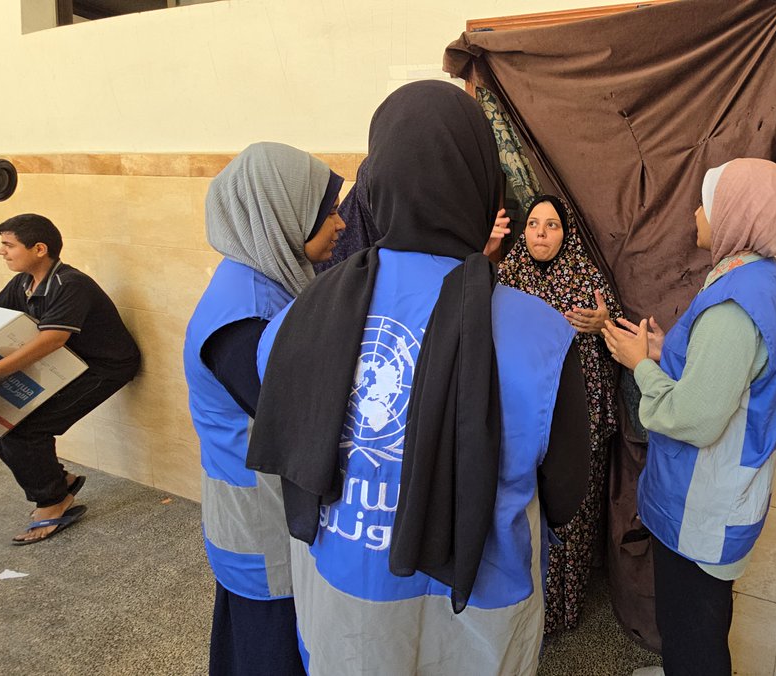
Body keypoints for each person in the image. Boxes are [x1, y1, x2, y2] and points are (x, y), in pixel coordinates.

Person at [246, 80, 590, 675]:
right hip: (478, 623)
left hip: (344, 616)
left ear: (376, 185)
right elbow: (566, 492)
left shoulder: (294, 321)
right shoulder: (543, 335)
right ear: (482, 185)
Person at [602, 158, 776, 675]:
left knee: (694, 633)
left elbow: (694, 417)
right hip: (719, 492)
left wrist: (640, 365)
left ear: (736, 215)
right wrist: (667, 350)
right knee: (696, 622)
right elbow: (727, 372)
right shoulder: (756, 276)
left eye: (707, 202)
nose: (696, 212)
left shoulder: (734, 305)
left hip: (704, 503)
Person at [184, 141, 344, 676]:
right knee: (269, 647)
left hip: (268, 508)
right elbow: (300, 418)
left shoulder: (267, 278)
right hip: (259, 519)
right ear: (282, 215)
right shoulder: (243, 320)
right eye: (327, 213)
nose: (340, 224)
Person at [0, 214, 141, 544]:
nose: (1, 251)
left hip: (104, 366)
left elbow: (52, 339)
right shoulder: (23, 283)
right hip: (67, 365)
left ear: (39, 249)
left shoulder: (70, 284)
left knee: (24, 430)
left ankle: (54, 501)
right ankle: (60, 481)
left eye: (8, 245)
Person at [498, 194, 621, 632]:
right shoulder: (507, 274)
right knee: (527, 510)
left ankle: (562, 610)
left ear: (565, 233)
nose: (541, 233)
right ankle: (524, 612)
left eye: (552, 225)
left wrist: (604, 324)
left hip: (576, 417)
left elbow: (619, 337)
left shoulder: (586, 277)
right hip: (524, 416)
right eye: (534, 224)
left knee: (573, 512)